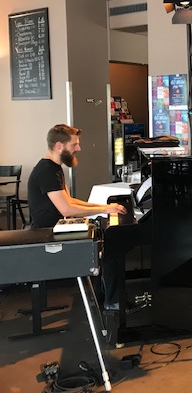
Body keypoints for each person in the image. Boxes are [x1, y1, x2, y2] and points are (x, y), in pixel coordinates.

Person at [28, 124, 127, 308]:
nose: (79, 148)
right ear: (59, 146)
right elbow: (67, 210)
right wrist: (105, 210)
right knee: (109, 246)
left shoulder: (54, 167)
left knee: (104, 237)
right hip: (47, 234)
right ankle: (111, 301)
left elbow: (70, 201)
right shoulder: (47, 171)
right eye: (74, 144)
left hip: (55, 228)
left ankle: (104, 297)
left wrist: (105, 207)